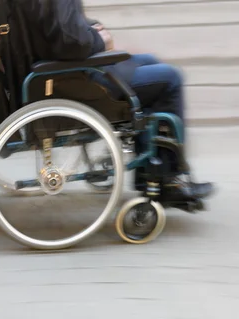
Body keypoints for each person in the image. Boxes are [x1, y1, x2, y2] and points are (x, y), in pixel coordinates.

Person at [17, 0, 215, 204]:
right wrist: (100, 39)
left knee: (150, 61)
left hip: (64, 75)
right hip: (78, 79)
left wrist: (90, 29)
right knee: (170, 78)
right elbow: (71, 42)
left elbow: (61, 29)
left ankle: (152, 173)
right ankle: (166, 180)